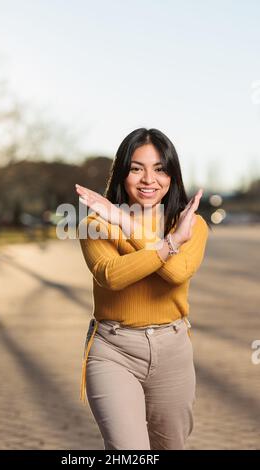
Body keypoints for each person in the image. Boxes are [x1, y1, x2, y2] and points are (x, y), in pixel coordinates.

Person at [75, 128, 210, 450]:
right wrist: (169, 245)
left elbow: (176, 274)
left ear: (172, 175)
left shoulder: (191, 225)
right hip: (114, 350)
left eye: (160, 169)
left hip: (173, 351)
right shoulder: (96, 224)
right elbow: (111, 276)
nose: (149, 179)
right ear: (122, 173)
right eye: (137, 168)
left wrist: (128, 224)